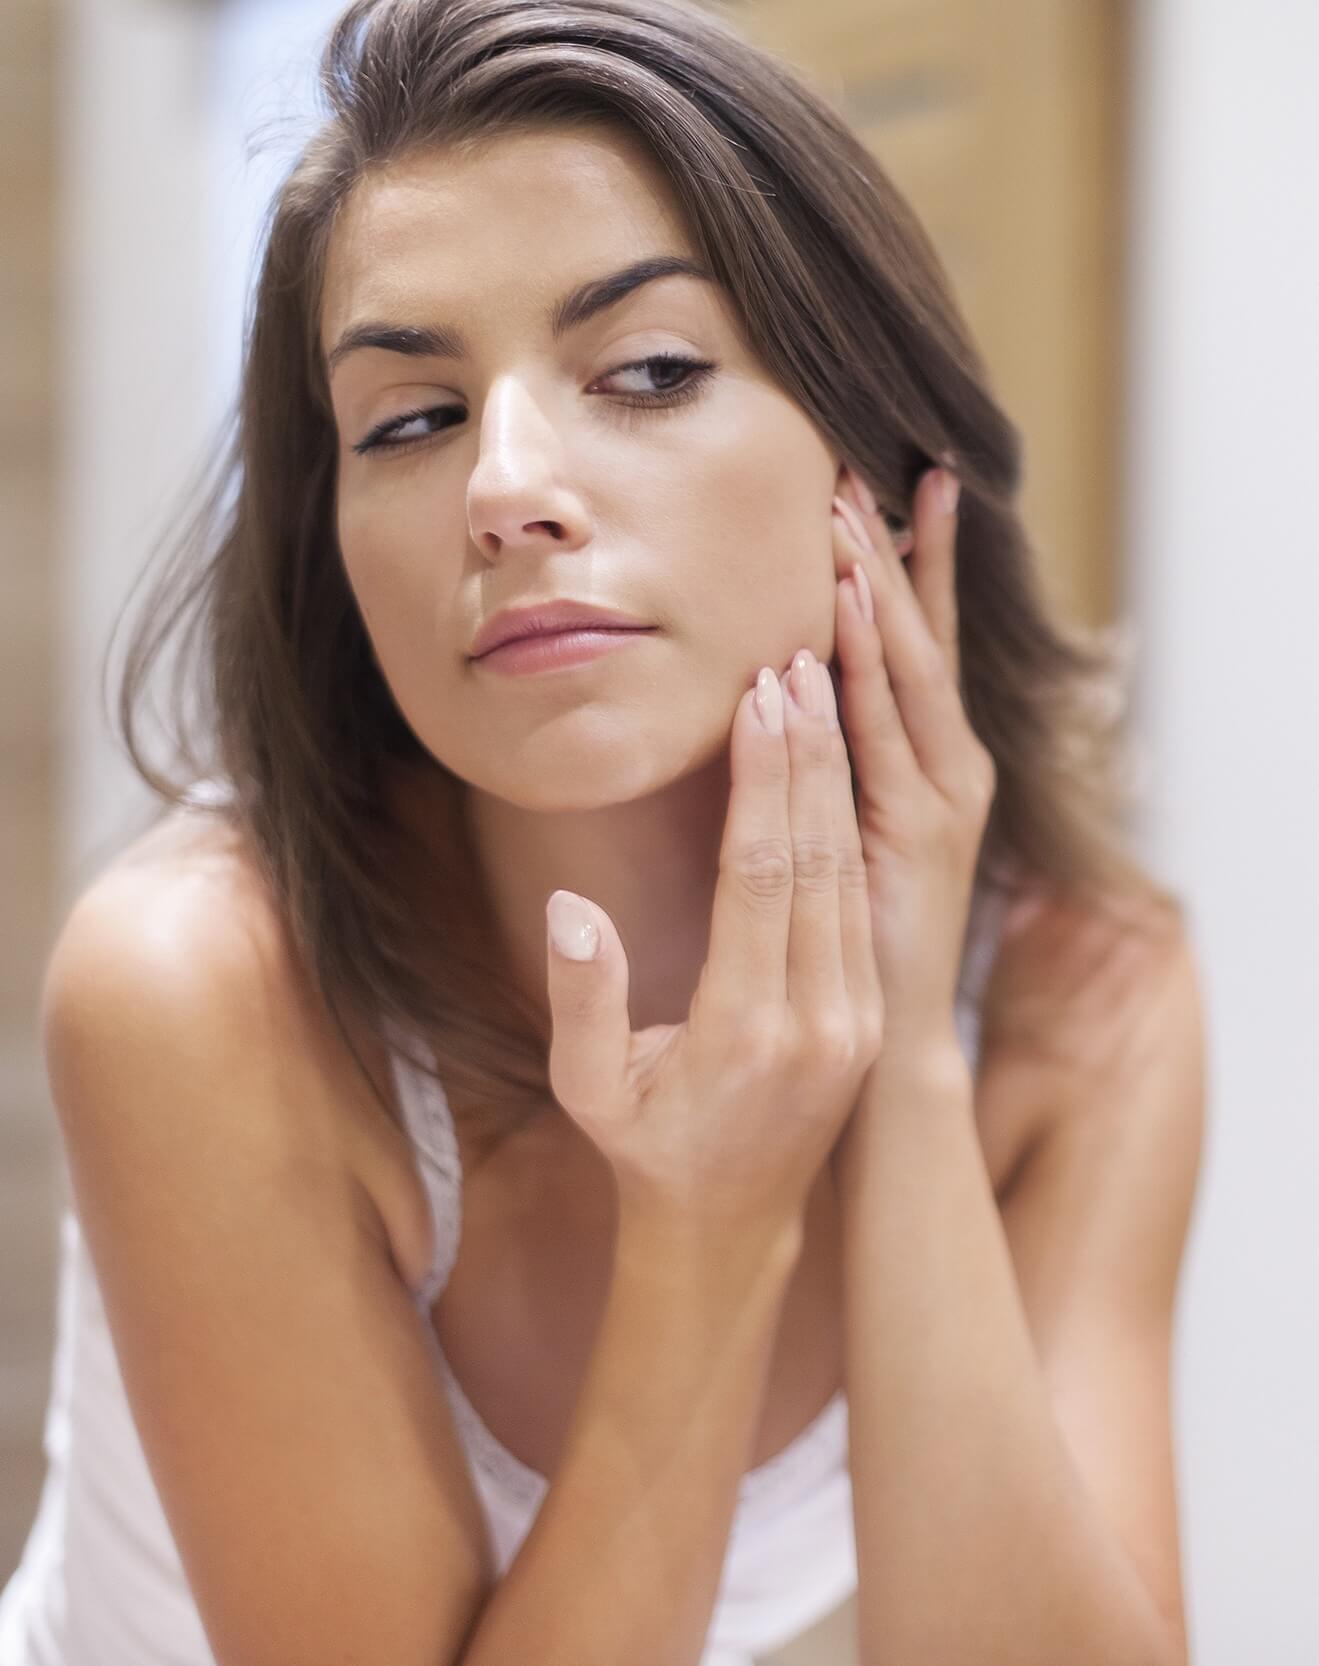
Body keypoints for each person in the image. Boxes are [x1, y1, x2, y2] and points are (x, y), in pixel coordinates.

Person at [0, 0, 1206, 1662]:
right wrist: (704, 1233)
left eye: (647, 371)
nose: (506, 483)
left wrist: (908, 1063)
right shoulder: (202, 987)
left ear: (874, 461)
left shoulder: (1089, 1006)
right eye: (411, 419)